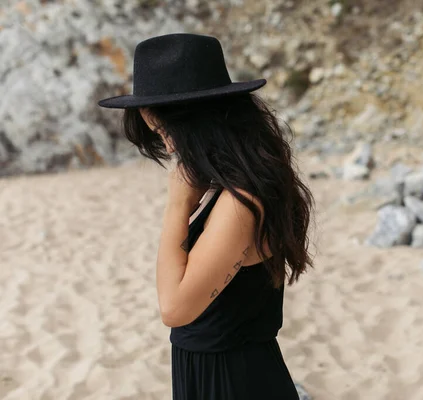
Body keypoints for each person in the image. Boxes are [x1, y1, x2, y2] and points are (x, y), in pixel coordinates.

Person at [98, 33, 314, 400]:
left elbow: (175, 307)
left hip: (234, 382)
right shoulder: (230, 187)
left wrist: (177, 205)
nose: (167, 146)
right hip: (216, 375)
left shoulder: (241, 202)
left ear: (197, 123)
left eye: (165, 131)